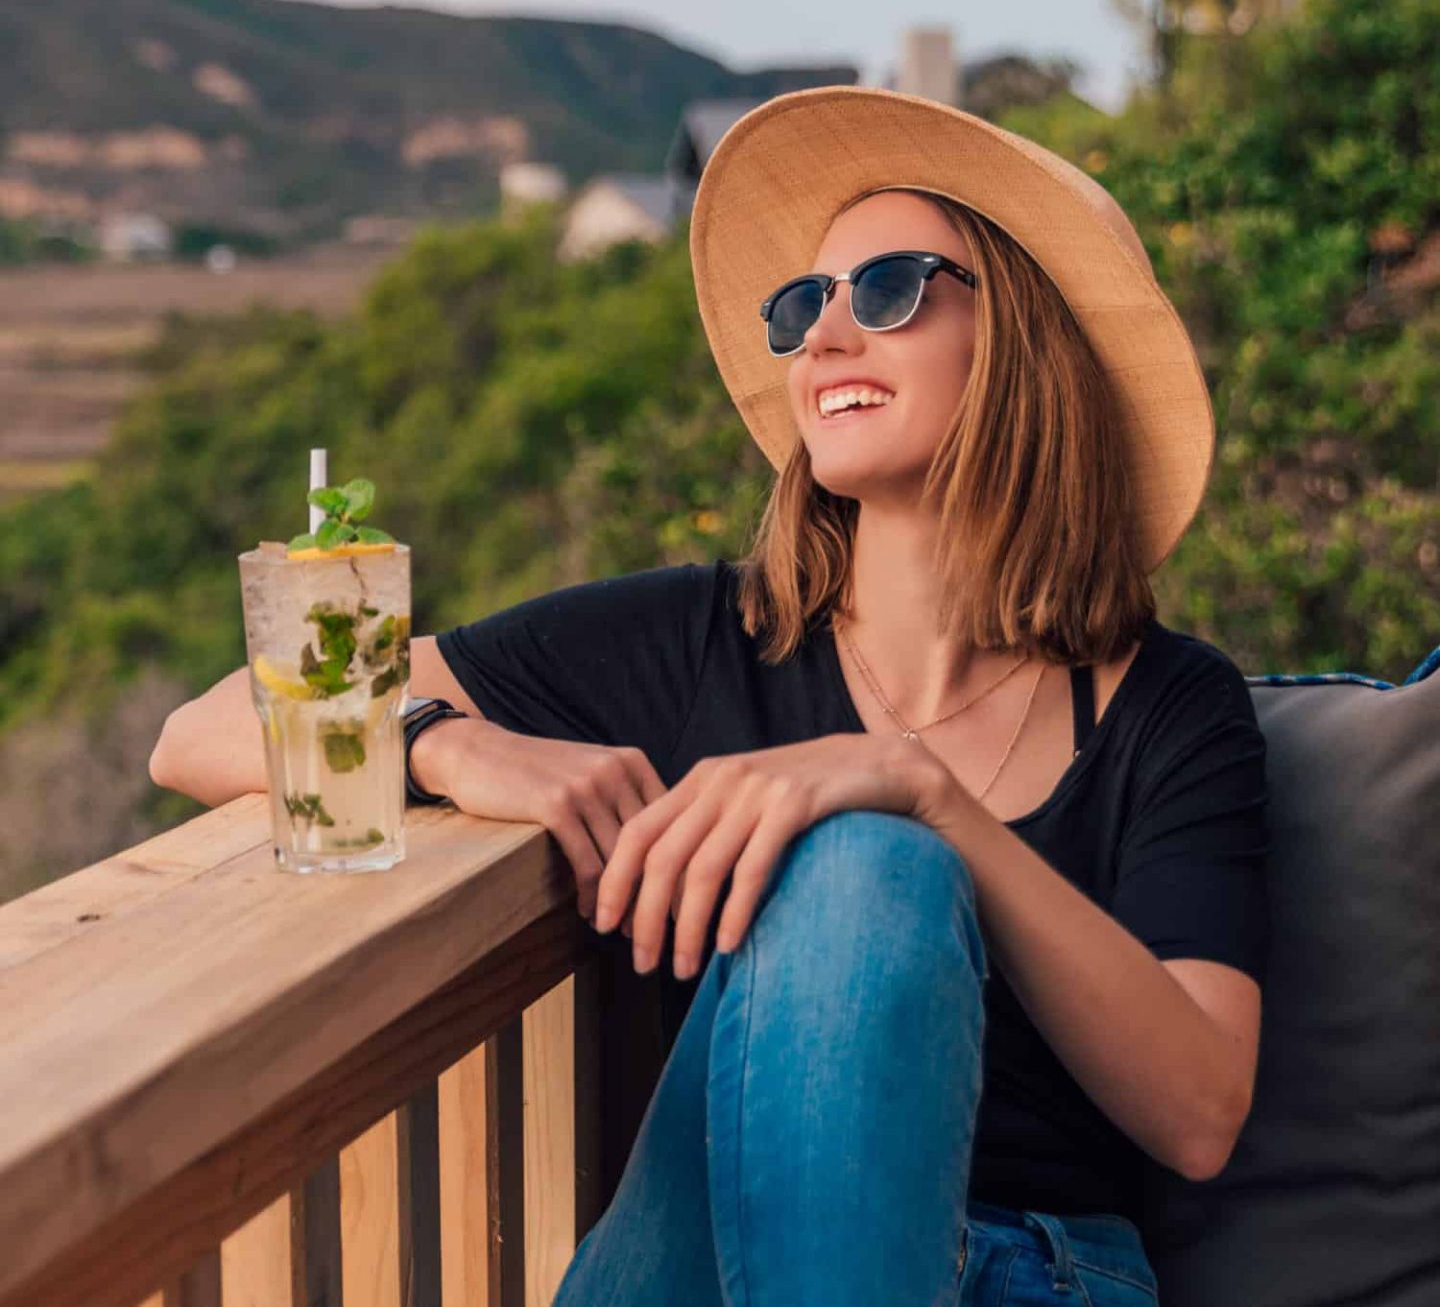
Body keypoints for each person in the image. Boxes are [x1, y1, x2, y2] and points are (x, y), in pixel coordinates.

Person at [150, 84, 1270, 1307]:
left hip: (1033, 1271)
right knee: (864, 864)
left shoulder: (1170, 704)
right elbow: (195, 733)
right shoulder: (698, 637)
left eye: (888, 290)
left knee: (872, 862)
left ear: (1023, 339)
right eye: (803, 307)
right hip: (716, 1257)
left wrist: (922, 797)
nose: (824, 339)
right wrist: (439, 745)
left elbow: (1200, 1109)